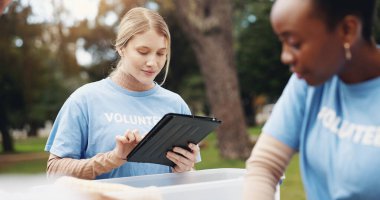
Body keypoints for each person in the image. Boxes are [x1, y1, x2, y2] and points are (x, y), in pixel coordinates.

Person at [244, 0, 380, 199]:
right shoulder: (310, 81)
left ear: (347, 30)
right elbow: (264, 166)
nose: (285, 57)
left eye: (295, 44)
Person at [45, 7, 200, 180]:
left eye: (161, 53)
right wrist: (112, 159)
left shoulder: (176, 105)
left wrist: (185, 169)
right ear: (121, 48)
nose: (153, 62)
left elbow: (188, 178)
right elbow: (54, 172)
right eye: (143, 51)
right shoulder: (84, 100)